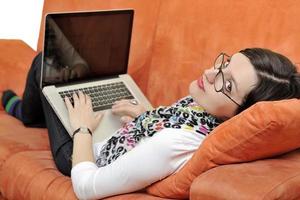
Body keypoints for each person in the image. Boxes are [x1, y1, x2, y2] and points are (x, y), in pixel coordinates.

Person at [1, 48, 300, 199]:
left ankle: (22, 112)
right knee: (79, 69)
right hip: (121, 135)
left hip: (83, 155)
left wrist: (82, 128)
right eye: (224, 63)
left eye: (228, 84)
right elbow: (173, 126)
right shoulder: (206, 113)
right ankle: (35, 110)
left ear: (241, 114)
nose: (210, 73)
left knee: (45, 62)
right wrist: (150, 114)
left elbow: (86, 187)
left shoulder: (172, 144)